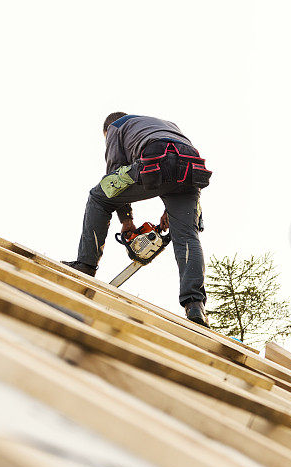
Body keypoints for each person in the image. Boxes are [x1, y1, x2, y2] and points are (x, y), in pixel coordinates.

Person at [62, 112, 212, 327]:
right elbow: (179, 163)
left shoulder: (117, 125)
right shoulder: (168, 124)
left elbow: (114, 174)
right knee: (187, 235)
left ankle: (86, 265)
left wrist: (126, 220)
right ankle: (195, 304)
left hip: (156, 159)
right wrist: (171, 212)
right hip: (191, 168)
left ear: (107, 130)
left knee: (98, 197)